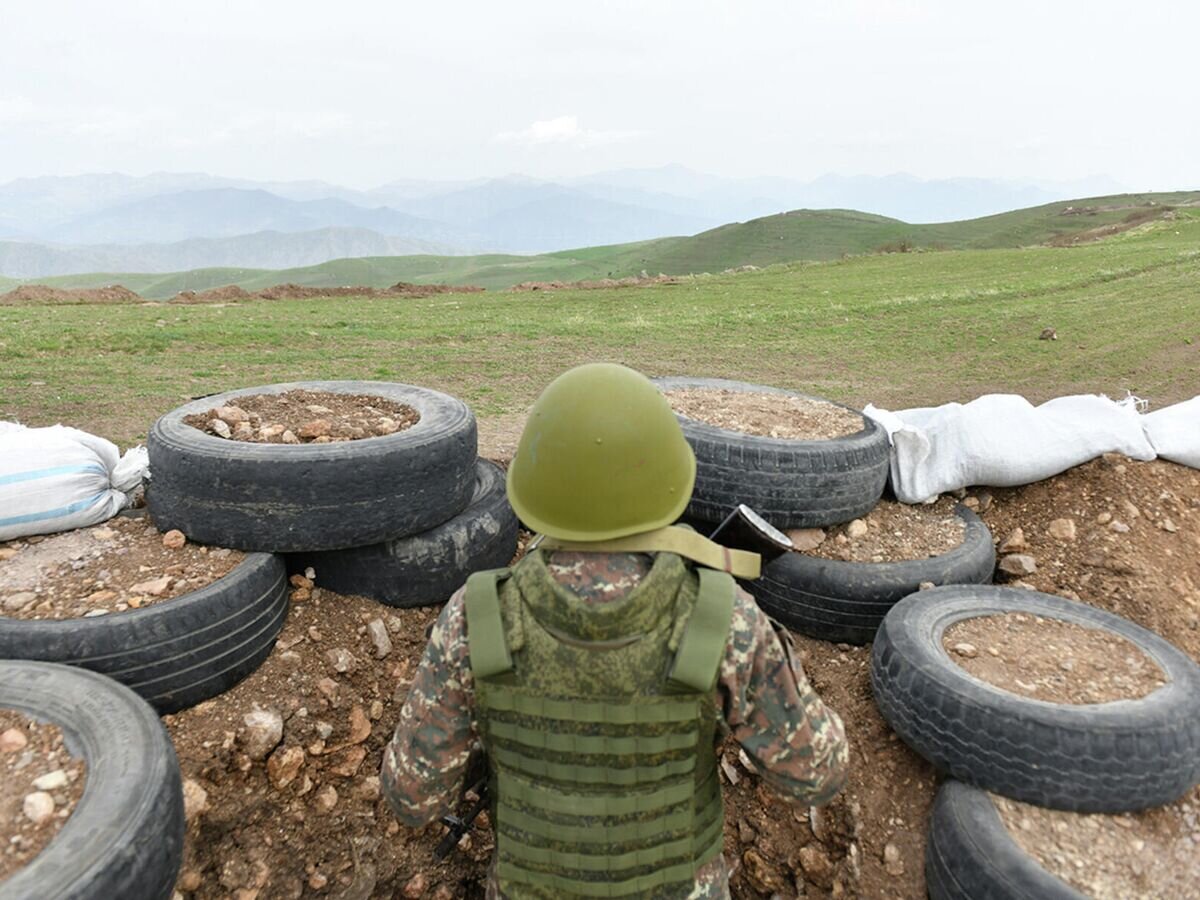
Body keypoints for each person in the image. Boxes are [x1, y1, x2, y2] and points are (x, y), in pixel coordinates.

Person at [382, 362, 849, 899]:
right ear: (669, 483)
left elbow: (411, 798)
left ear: (534, 489)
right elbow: (818, 772)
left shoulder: (477, 617)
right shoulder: (723, 619)